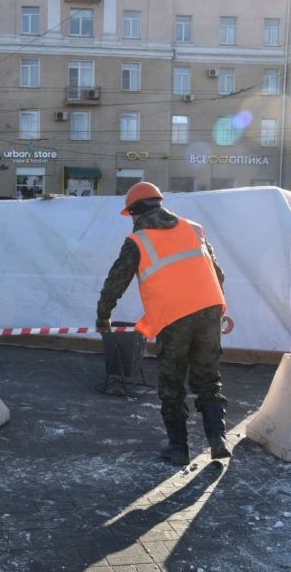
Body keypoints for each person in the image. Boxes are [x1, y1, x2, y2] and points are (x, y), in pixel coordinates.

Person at [96, 181, 230, 466]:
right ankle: (218, 438)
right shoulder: (194, 228)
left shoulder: (139, 241)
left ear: (135, 212)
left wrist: (103, 315)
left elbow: (115, 282)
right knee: (208, 378)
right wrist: (215, 308)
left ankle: (179, 448)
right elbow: (217, 272)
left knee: (172, 383)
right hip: (210, 308)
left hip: (174, 317)